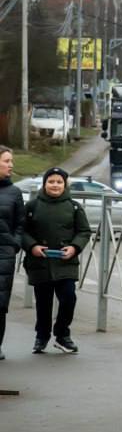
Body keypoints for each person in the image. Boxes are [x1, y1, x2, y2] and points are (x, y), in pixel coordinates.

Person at [22, 167, 90, 354]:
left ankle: (62, 334)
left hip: (65, 263)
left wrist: (74, 247)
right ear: (44, 184)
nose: (55, 185)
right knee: (43, 303)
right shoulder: (32, 206)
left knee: (68, 298)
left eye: (59, 182)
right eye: (51, 181)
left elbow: (84, 231)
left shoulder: (74, 207)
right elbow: (22, 231)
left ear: (65, 185)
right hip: (40, 263)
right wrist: (32, 246)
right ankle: (41, 336)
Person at [0, 146, 21, 360]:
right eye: (7, 161)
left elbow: (20, 223)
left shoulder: (14, 192)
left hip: (3, 255)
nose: (11, 165)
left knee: (0, 303)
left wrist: (14, 244)